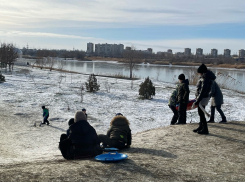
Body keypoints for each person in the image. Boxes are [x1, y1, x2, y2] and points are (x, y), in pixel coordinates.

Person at [193, 64, 216, 134]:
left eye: (199, 72)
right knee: (200, 113)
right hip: (202, 97)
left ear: (202, 72)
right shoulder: (205, 77)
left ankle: (205, 129)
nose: (198, 74)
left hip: (203, 97)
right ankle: (201, 126)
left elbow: (203, 90)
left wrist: (198, 100)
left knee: (201, 113)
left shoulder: (206, 78)